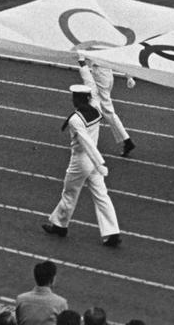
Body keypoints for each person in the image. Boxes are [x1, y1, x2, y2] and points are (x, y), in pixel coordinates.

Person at [42, 85, 122, 247]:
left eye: (74, 97)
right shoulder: (96, 110)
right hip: (93, 161)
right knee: (102, 195)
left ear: (79, 99)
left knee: (69, 193)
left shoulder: (75, 119)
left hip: (81, 161)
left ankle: (60, 226)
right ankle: (112, 232)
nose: (72, 100)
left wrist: (100, 163)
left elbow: (86, 143)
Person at [78, 57, 136, 158]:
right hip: (107, 74)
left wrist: (82, 60)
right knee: (103, 108)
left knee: (99, 107)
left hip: (100, 73)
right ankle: (126, 140)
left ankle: (127, 141)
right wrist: (129, 76)